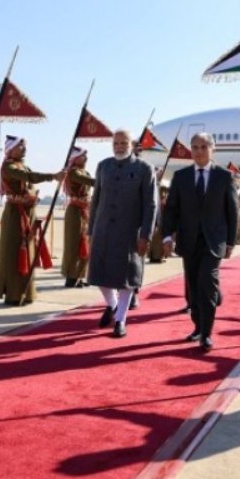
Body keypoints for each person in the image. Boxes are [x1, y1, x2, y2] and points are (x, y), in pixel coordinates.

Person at [162, 132, 239, 351]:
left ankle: (206, 333)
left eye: (204, 147)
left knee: (207, 281)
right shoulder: (181, 177)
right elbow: (171, 210)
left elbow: (233, 211)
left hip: (214, 241)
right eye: (195, 147)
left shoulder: (224, 176)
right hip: (188, 240)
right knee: (193, 287)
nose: (199, 152)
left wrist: (230, 242)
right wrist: (167, 236)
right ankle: (198, 326)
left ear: (213, 149)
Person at [87, 130, 157, 337]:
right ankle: (113, 304)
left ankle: (120, 319)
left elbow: (151, 205)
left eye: (123, 143)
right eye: (115, 143)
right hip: (103, 230)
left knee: (126, 277)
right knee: (99, 274)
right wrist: (91, 230)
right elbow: (95, 200)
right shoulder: (103, 166)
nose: (119, 146)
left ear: (132, 144)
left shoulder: (144, 168)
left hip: (130, 232)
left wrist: (146, 235)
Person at [0, 136, 65, 305]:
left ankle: (26, 292)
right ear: (10, 149)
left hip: (27, 212)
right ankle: (13, 294)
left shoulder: (23, 165)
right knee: (14, 252)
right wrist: (52, 176)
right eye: (20, 146)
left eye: (24, 146)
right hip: (15, 214)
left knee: (29, 252)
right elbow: (28, 177)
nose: (24, 149)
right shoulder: (9, 166)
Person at [61, 146, 94, 288]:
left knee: (84, 244)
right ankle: (70, 276)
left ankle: (80, 276)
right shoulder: (73, 172)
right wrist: (105, 181)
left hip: (85, 211)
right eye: (82, 155)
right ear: (74, 158)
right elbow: (89, 181)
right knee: (73, 245)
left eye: (86, 155)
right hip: (75, 212)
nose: (86, 158)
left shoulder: (84, 171)